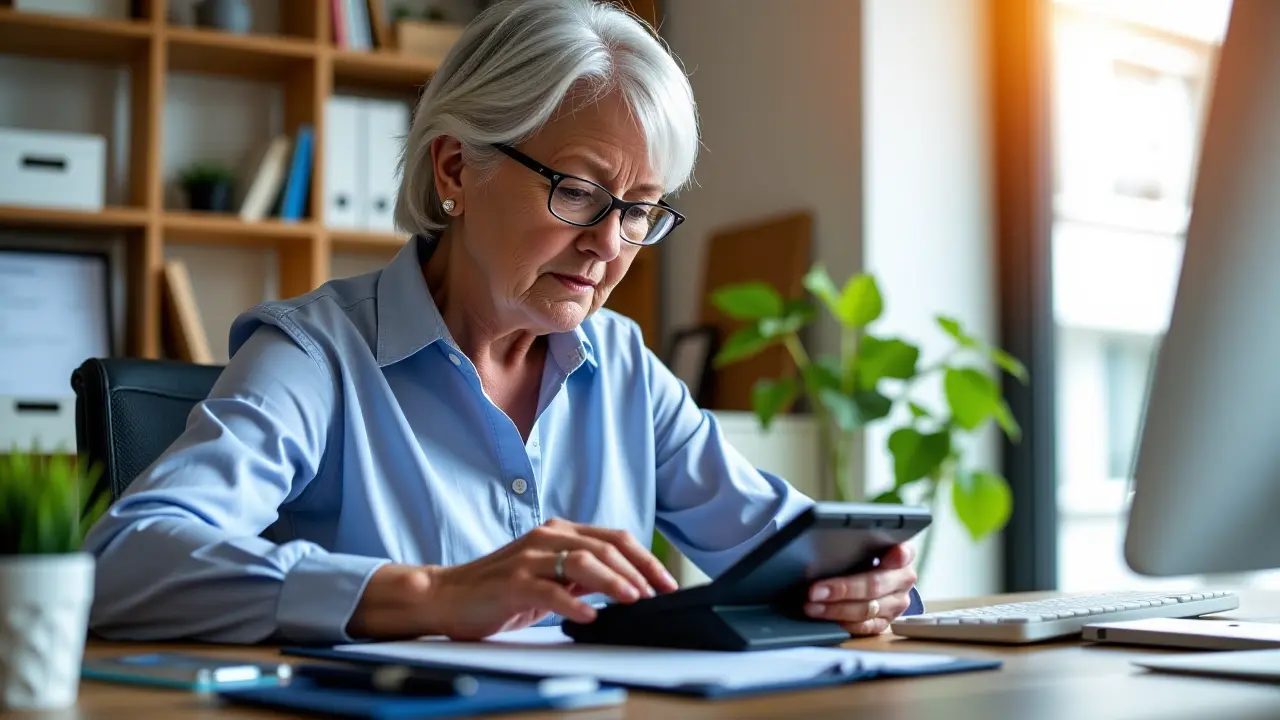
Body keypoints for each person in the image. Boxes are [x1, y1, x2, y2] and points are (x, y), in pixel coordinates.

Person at [82, 0, 922, 645]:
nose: (609, 245)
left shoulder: (624, 368)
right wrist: (433, 594)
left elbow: (795, 549)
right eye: (579, 192)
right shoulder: (316, 355)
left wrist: (869, 583)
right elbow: (122, 561)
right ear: (456, 168)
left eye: (639, 210)